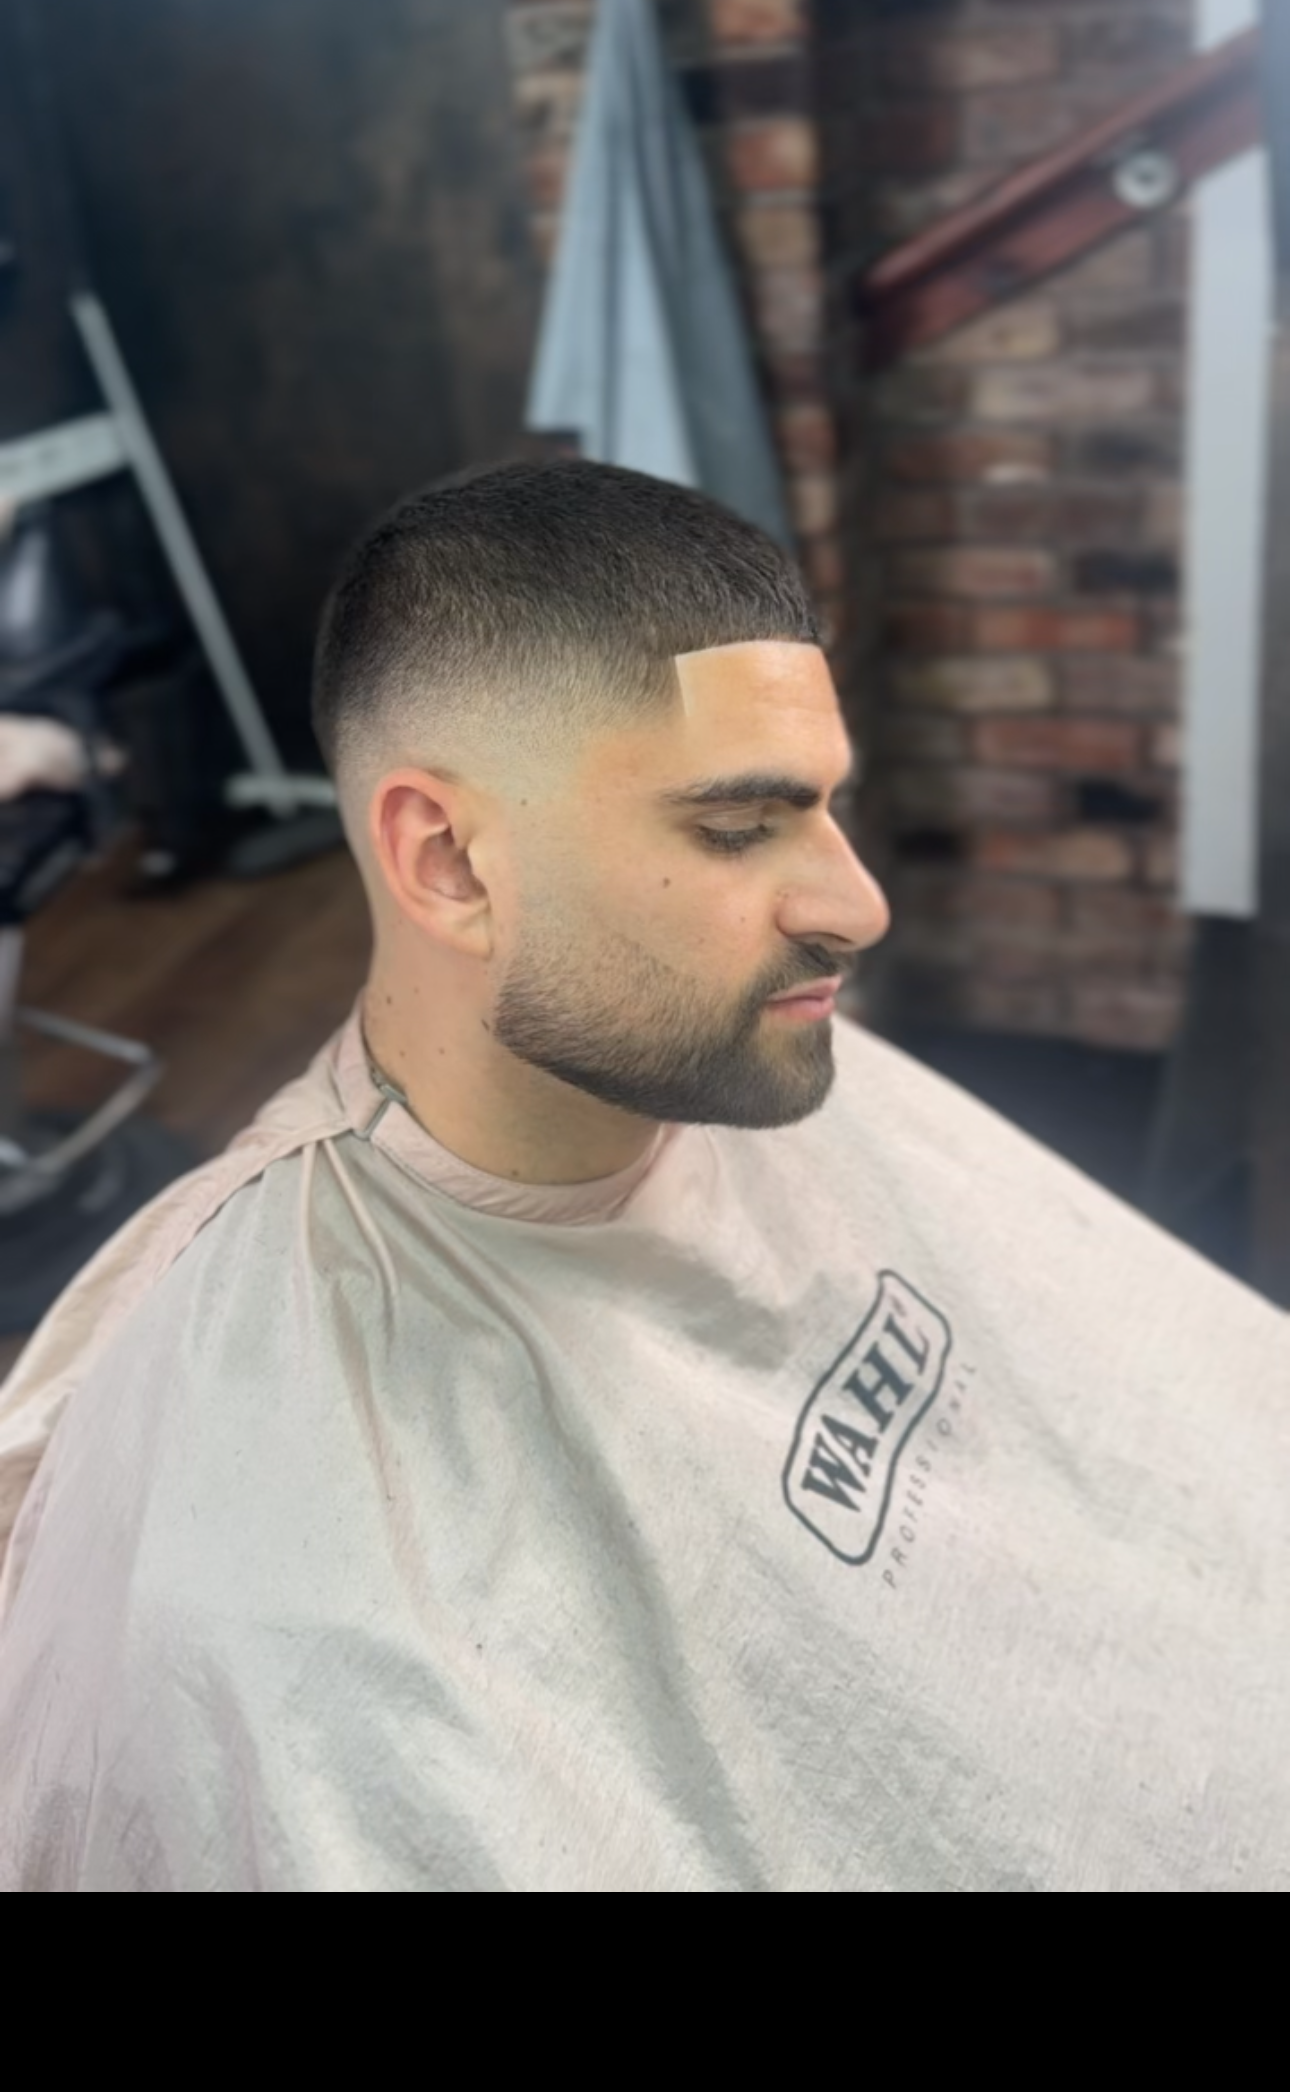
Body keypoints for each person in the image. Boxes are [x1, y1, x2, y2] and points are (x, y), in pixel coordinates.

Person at [0, 455, 1287, 1894]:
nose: (856, 904)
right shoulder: (283, 1590)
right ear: (450, 863)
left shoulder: (735, 1055)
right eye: (737, 828)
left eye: (826, 809)